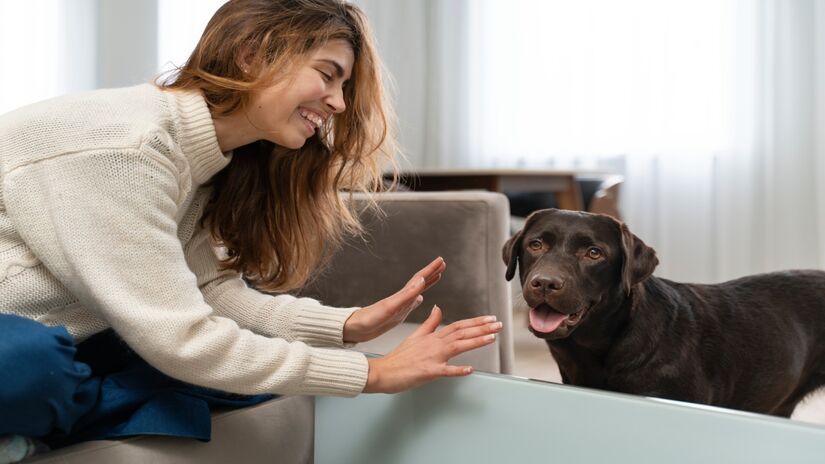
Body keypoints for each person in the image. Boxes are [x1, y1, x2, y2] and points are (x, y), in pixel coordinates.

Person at [0, 0, 502, 457]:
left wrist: (345, 326)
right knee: (35, 364)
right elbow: (181, 335)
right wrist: (373, 372)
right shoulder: (126, 148)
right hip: (22, 337)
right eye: (328, 75)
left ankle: (54, 412)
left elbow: (208, 289)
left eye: (343, 87)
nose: (338, 103)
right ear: (252, 53)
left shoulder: (202, 160)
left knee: (248, 373)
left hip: (78, 334)